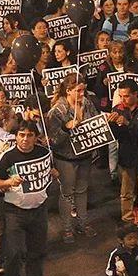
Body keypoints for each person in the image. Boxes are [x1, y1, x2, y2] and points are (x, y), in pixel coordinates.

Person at [0, 120, 57, 276]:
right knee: (14, 250)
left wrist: (52, 172)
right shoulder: (7, 157)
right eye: (21, 135)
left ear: (36, 138)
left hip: (39, 209)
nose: (25, 139)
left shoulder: (44, 153)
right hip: (15, 211)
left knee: (38, 249)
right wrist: (7, 183)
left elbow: (51, 170)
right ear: (16, 137)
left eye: (29, 135)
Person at [45, 73, 100, 243]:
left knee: (82, 191)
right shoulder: (58, 110)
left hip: (84, 155)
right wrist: (66, 128)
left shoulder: (87, 103)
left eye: (83, 90)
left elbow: (95, 121)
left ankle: (83, 223)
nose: (82, 94)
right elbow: (53, 140)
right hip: (65, 157)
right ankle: (66, 228)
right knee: (67, 193)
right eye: (79, 91)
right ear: (68, 91)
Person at [111, 79, 138, 238]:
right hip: (126, 156)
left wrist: (127, 123)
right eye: (121, 96)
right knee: (126, 193)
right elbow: (115, 136)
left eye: (127, 96)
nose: (123, 100)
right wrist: (111, 124)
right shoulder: (117, 109)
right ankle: (127, 221)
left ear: (136, 94)